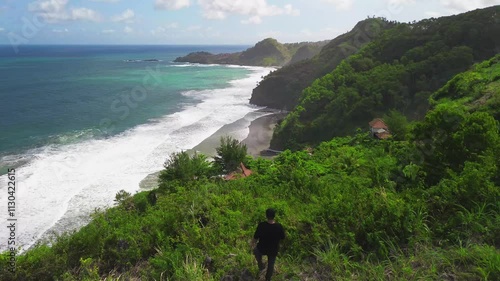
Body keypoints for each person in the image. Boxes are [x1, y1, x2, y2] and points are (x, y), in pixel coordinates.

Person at [251, 208, 285, 281]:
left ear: (266, 216)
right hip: (273, 250)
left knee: (256, 251)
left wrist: (252, 244)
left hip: (262, 248)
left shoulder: (262, 225)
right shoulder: (279, 226)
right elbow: (283, 237)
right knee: (271, 265)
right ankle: (268, 279)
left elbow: (255, 237)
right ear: (274, 216)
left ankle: (261, 266)